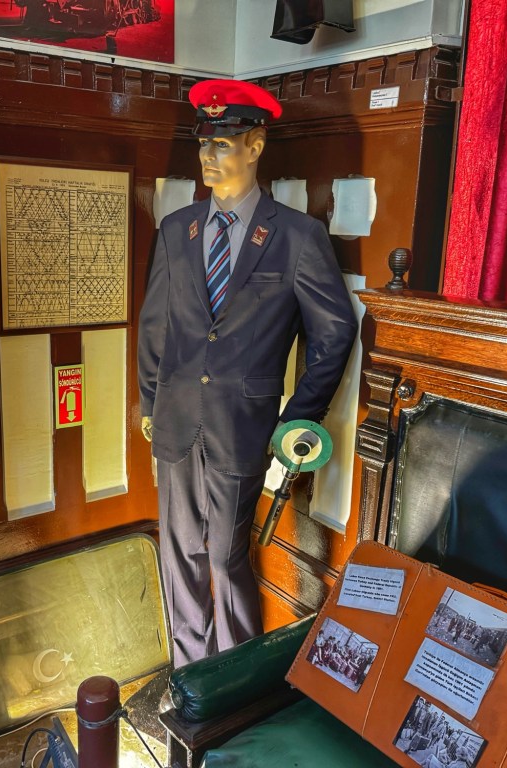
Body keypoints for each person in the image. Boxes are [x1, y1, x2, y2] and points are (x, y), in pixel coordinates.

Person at [137, 79, 357, 667]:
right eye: (203, 143)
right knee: (179, 553)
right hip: (175, 418)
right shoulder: (176, 229)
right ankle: (190, 677)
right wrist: (148, 402)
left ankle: (235, 676)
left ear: (255, 146)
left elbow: (335, 332)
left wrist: (298, 415)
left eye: (223, 143)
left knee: (225, 556)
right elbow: (155, 324)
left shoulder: (297, 237)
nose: (208, 156)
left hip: (243, 422)